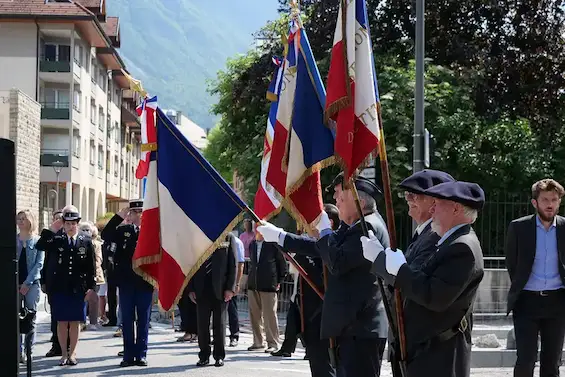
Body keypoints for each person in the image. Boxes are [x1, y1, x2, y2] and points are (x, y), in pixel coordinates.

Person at [258, 173, 390, 377]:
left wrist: (326, 232)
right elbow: (321, 248)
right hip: (352, 328)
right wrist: (281, 236)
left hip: (360, 329)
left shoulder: (367, 227)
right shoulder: (355, 225)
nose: (336, 201)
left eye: (340, 196)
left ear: (359, 202)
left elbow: (337, 262)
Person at [362, 180, 485, 377]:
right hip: (427, 350)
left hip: (438, 354)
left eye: (438, 203)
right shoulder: (449, 241)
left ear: (455, 209)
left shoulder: (462, 247)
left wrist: (399, 270)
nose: (433, 209)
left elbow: (434, 296)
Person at [385, 169, 455, 376]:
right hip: (406, 334)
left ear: (435, 202)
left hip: (422, 338)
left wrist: (385, 265)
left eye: (415, 195)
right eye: (408, 195)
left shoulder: (434, 236)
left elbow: (414, 281)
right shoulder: (423, 233)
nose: (409, 200)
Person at [505, 179, 565, 377]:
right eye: (545, 199)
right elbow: (512, 264)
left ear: (559, 202)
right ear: (535, 203)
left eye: (554, 200)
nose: (550, 204)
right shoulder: (519, 227)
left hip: (557, 302)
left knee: (552, 362)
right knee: (525, 360)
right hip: (526, 301)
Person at [37, 206, 97, 366]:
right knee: (62, 321)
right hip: (59, 287)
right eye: (67, 223)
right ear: (63, 224)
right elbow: (41, 246)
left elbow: (91, 266)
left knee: (75, 322)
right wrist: (51, 229)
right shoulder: (57, 239)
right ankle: (63, 353)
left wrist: (91, 287)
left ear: (78, 223)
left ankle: (72, 353)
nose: (70, 226)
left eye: (73, 223)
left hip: (78, 288)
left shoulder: (86, 241)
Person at [101, 199, 154, 367]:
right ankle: (128, 355)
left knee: (143, 320)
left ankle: (141, 354)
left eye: (141, 212)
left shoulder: (152, 231)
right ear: (129, 215)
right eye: (134, 212)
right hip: (126, 282)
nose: (138, 215)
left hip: (145, 282)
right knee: (127, 320)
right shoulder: (123, 230)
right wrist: (119, 216)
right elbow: (105, 235)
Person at [189, 233, 237, 367]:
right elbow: (191, 264)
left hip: (220, 289)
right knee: (202, 324)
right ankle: (204, 355)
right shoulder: (198, 233)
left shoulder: (228, 236)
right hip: (201, 287)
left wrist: (230, 288)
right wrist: (191, 288)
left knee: (220, 324)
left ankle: (219, 355)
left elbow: (233, 264)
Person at [246, 231, 288, 353]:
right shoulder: (252, 244)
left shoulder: (273, 244)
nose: (256, 231)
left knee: (269, 315)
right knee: (254, 315)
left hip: (269, 284)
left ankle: (273, 343)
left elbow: (282, 265)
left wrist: (278, 281)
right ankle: (258, 342)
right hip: (253, 284)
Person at [16, 210, 44, 364]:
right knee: (15, 319)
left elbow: (39, 264)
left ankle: (29, 351)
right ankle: (18, 351)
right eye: (18, 219)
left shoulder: (37, 241)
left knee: (30, 318)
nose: (20, 221)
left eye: (23, 219)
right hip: (15, 283)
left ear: (30, 221)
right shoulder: (14, 240)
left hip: (31, 284)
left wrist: (27, 283)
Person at [43, 210, 65, 358]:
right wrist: (43, 280)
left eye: (61, 219)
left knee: (68, 317)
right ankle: (56, 344)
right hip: (53, 281)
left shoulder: (71, 236)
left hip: (69, 282)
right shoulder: (50, 236)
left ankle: (68, 346)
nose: (58, 222)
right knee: (55, 316)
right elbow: (41, 249)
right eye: (56, 219)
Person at [79, 221, 105, 330]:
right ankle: (81, 321)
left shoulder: (97, 244)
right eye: (83, 230)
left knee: (93, 298)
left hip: (95, 275)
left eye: (88, 230)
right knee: (81, 299)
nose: (85, 232)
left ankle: (93, 322)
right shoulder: (78, 242)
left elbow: (99, 259)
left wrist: (91, 267)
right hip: (80, 275)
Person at [228, 231, 245, 347]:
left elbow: (240, 264)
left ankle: (234, 335)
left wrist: (237, 283)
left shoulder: (237, 242)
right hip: (219, 281)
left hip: (231, 282)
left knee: (232, 310)